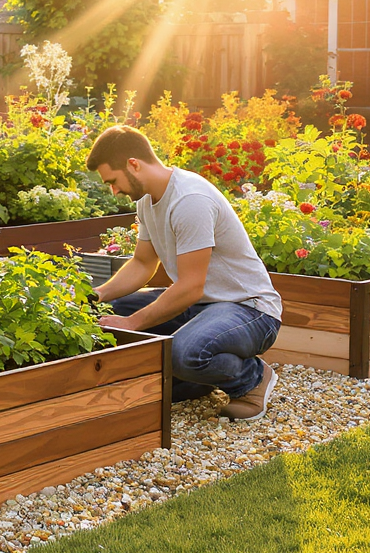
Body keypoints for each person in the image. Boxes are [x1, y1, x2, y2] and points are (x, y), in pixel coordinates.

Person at [86, 125, 282, 421]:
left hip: (249, 309)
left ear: (133, 165)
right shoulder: (146, 201)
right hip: (201, 306)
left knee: (183, 352)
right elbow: (142, 264)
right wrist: (98, 294)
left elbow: (190, 286)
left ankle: (252, 379)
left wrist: (133, 322)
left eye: (112, 181)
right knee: (107, 312)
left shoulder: (189, 199)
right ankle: (192, 381)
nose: (113, 191)